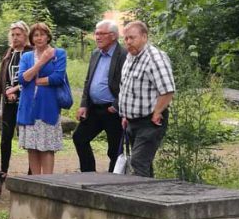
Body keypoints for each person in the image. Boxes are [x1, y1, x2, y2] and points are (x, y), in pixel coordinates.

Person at [117, 21, 176, 178]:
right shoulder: (130, 57)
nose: (128, 42)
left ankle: (139, 200)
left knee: (138, 162)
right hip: (132, 121)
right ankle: (150, 199)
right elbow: (127, 88)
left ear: (144, 37)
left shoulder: (155, 58)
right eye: (126, 38)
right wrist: (125, 115)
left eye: (132, 38)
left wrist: (157, 112)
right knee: (143, 163)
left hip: (151, 121)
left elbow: (168, 90)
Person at [72, 20, 127, 172]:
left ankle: (112, 182)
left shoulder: (123, 55)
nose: (97, 37)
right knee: (79, 137)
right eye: (96, 33)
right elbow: (88, 80)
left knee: (114, 149)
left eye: (101, 33)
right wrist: (84, 104)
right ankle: (88, 174)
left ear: (113, 36)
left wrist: (116, 106)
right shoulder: (96, 54)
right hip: (94, 108)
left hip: (113, 110)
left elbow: (128, 84)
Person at [16, 23, 70, 175]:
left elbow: (58, 78)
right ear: (31, 39)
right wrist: (41, 62)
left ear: (48, 36)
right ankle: (35, 181)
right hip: (29, 107)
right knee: (32, 147)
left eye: (42, 34)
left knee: (47, 147)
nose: (39, 38)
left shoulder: (59, 54)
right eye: (35, 35)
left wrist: (38, 80)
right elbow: (22, 79)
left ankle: (48, 182)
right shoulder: (26, 56)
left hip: (48, 107)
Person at [0, 21, 32, 175]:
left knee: (27, 137)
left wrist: (17, 91)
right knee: (6, 137)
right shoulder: (9, 53)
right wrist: (2, 96)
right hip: (9, 101)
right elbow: (2, 77)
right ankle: (4, 170)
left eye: (18, 35)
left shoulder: (31, 53)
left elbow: (32, 78)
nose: (15, 38)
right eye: (13, 35)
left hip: (27, 101)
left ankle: (31, 171)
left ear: (25, 36)